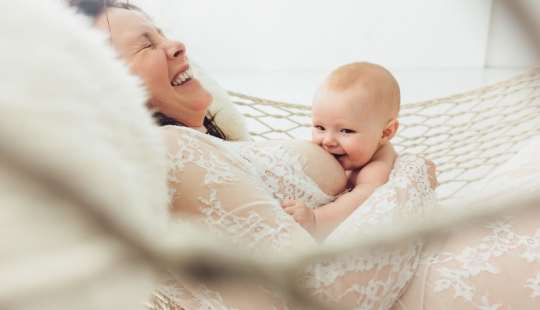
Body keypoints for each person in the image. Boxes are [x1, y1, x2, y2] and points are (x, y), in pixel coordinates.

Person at [66, 1, 540, 309]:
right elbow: (329, 297)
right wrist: (406, 171)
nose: (176, 44)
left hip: (445, 248)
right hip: (439, 280)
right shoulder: (167, 153)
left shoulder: (197, 152)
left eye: (161, 31)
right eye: (145, 45)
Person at [282, 62, 406, 241]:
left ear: (385, 133)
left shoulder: (378, 167)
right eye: (320, 127)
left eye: (346, 131)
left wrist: (316, 220)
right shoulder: (341, 149)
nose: (327, 140)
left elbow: (361, 200)